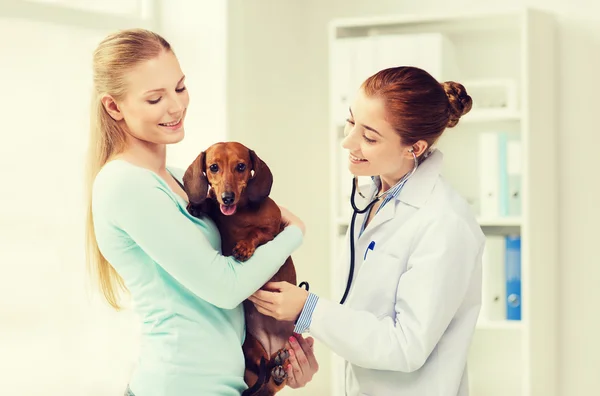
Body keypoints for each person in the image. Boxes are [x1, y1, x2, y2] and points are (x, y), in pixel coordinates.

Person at [85, 28, 318, 396]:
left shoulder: (179, 180)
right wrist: (295, 233)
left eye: (179, 88)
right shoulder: (125, 185)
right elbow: (225, 288)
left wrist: (279, 365)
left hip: (229, 384)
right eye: (154, 98)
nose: (176, 107)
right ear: (114, 107)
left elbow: (231, 295)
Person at [248, 66, 485, 396]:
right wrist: (309, 341)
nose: (348, 142)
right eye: (350, 121)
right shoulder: (374, 196)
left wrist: (308, 309)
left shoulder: (445, 223)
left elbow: (406, 346)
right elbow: (366, 319)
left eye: (369, 137)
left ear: (414, 148)